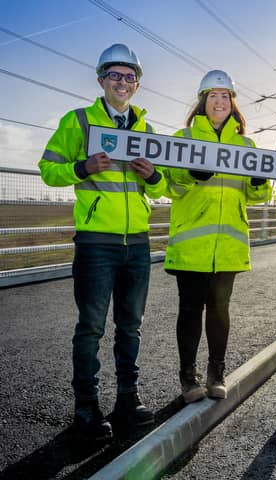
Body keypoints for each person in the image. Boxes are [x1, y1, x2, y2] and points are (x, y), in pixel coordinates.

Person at [39, 43, 166, 441]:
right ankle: (86, 409)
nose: (122, 82)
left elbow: (161, 185)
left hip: (138, 243)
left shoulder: (146, 129)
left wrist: (151, 176)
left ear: (138, 84)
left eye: (130, 77)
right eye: (115, 75)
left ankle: (128, 398)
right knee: (91, 327)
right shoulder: (79, 121)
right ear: (101, 79)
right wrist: (82, 167)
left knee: (131, 326)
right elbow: (48, 169)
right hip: (97, 241)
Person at [163, 70, 271, 404]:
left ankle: (217, 373)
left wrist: (256, 182)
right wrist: (190, 174)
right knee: (191, 310)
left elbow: (259, 196)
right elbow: (170, 186)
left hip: (228, 245)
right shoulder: (184, 138)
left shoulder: (247, 146)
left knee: (220, 310)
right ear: (202, 102)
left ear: (233, 103)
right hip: (192, 244)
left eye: (225, 96)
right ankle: (189, 378)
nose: (220, 101)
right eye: (213, 96)